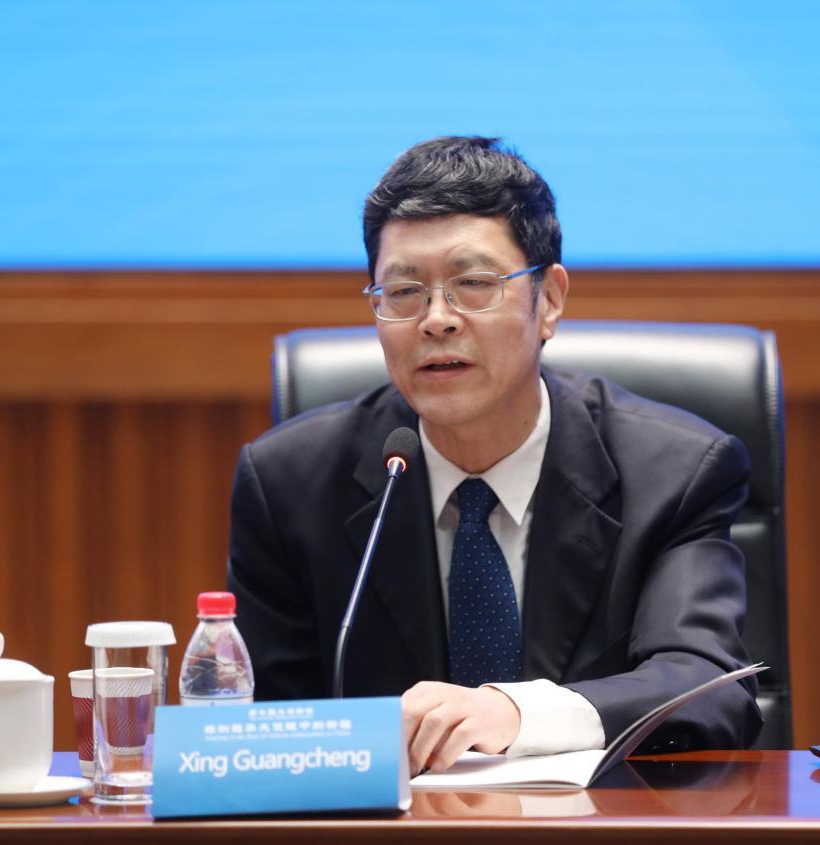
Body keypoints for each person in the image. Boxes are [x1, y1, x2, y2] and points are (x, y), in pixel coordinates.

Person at [227, 136, 761, 774]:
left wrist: (516, 714)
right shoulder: (288, 484)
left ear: (550, 299)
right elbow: (263, 730)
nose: (436, 319)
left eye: (474, 284)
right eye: (403, 291)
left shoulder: (675, 473)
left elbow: (705, 684)